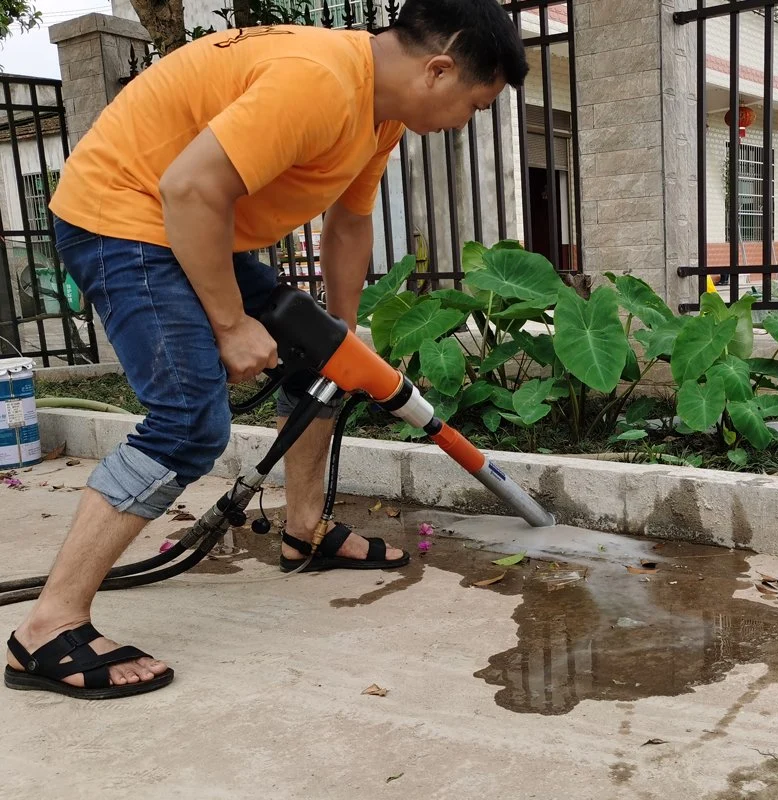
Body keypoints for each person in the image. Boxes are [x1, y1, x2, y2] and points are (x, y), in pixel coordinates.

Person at [5, 0, 528, 700]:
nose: (464, 122)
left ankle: (304, 531)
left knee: (323, 364)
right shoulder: (318, 81)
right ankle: (48, 626)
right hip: (125, 217)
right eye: (474, 103)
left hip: (191, 223)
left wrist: (338, 337)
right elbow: (189, 188)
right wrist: (228, 323)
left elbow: (350, 220)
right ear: (438, 70)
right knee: (189, 421)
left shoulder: (380, 111)